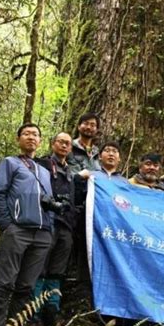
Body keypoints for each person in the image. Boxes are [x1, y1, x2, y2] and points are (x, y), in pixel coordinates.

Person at [0, 123, 54, 326]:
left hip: (42, 234)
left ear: (40, 141)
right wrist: (6, 225)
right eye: (27, 134)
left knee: (26, 287)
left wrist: (49, 227)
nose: (31, 137)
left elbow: (49, 202)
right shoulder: (10, 163)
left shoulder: (44, 171)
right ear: (18, 139)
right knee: (5, 284)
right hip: (18, 230)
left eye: (35, 134)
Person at [35, 132, 89, 326]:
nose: (65, 146)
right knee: (40, 267)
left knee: (57, 270)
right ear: (53, 143)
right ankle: (33, 314)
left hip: (67, 225)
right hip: (47, 222)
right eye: (61, 142)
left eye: (68, 144)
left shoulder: (70, 171)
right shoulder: (42, 165)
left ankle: (51, 311)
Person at [67, 112, 101, 290]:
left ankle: (84, 285)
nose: (89, 127)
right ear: (79, 126)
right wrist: (78, 176)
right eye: (86, 123)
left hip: (93, 207)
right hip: (73, 203)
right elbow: (60, 170)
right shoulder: (69, 147)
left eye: (93, 125)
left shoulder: (97, 153)